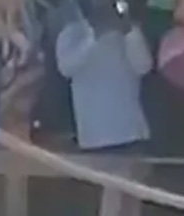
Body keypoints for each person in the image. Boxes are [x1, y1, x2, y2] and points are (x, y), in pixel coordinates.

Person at [55, 0, 153, 152]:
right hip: (92, 137)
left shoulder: (130, 32)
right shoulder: (72, 33)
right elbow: (66, 68)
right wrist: (93, 37)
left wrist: (128, 31)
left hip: (131, 135)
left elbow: (143, 67)